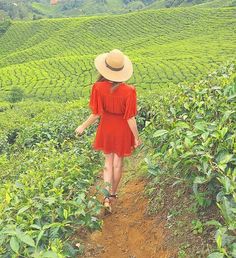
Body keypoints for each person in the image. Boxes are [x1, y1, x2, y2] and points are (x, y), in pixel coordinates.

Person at [75, 49, 142, 213]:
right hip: (122, 129)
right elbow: (130, 118)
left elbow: (96, 113)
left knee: (107, 164)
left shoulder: (97, 87)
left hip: (106, 127)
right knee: (118, 163)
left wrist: (83, 126)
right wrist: (136, 137)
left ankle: (104, 197)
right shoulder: (129, 91)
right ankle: (112, 195)